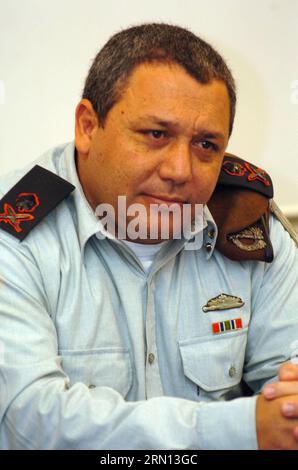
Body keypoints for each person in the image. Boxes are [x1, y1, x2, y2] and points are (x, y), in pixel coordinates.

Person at [0, 22, 298, 450]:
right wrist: (239, 429)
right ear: (87, 126)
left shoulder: (248, 223)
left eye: (206, 145)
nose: (180, 171)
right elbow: (27, 420)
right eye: (156, 135)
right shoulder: (13, 235)